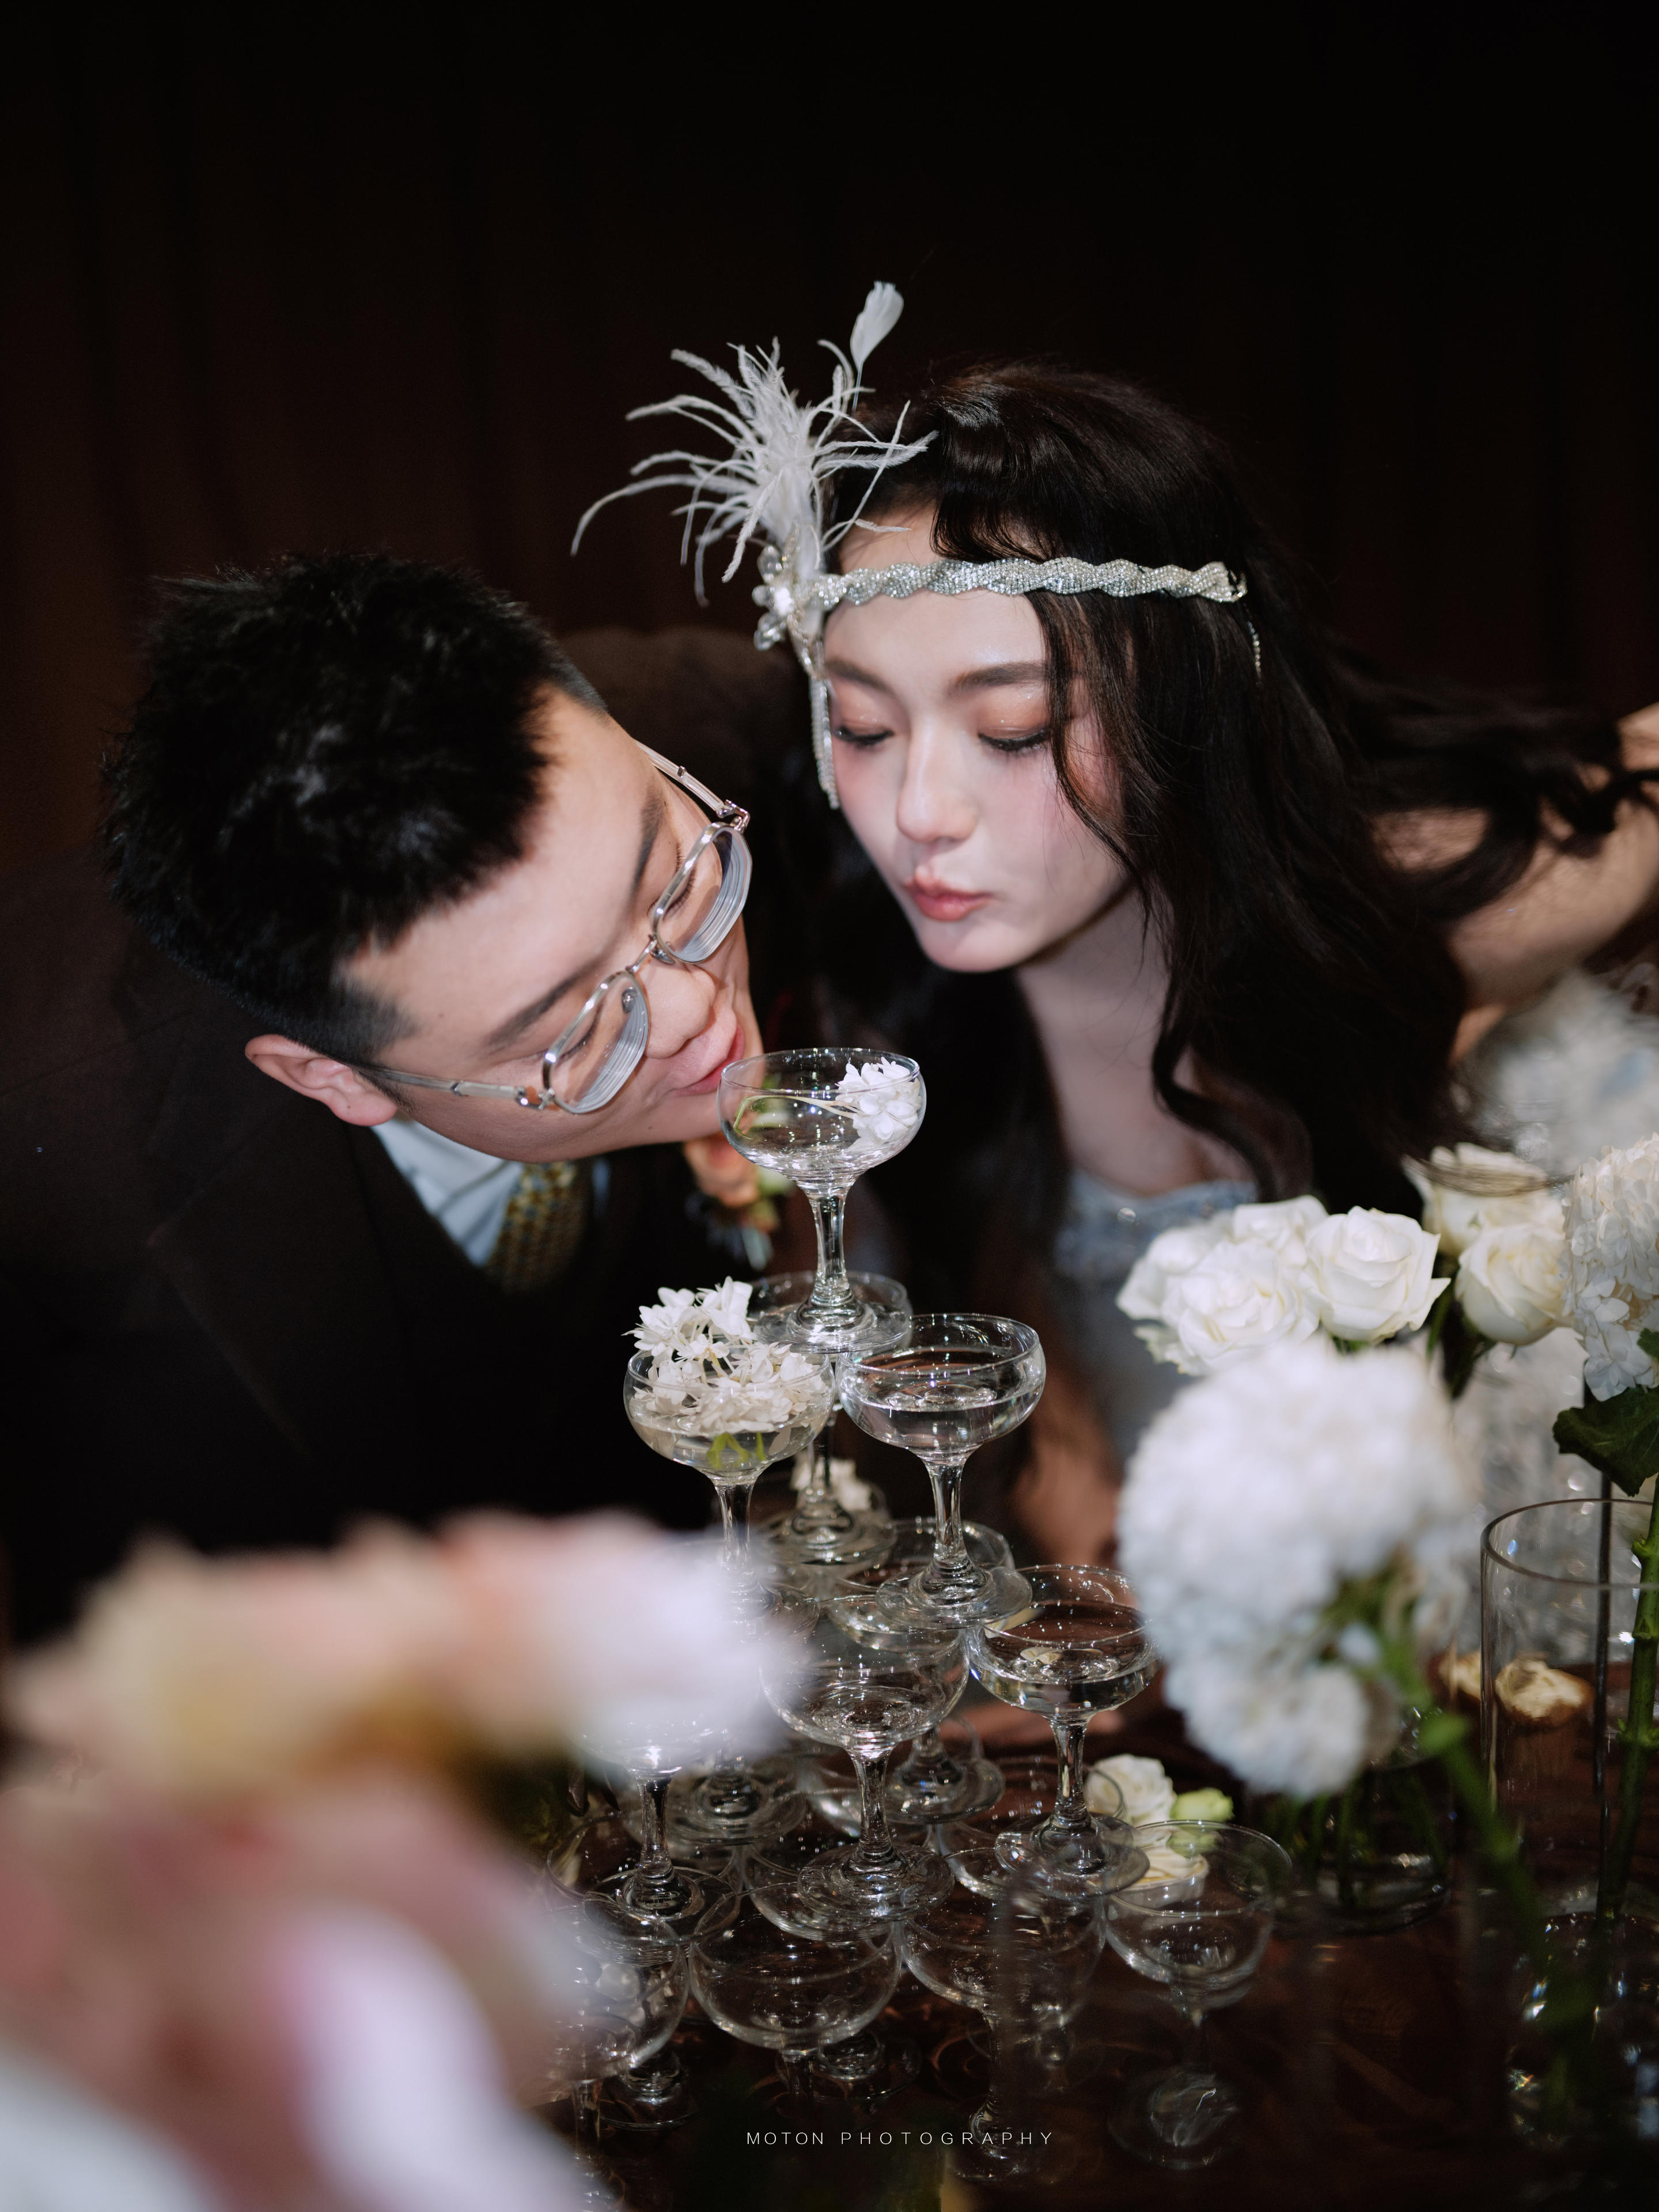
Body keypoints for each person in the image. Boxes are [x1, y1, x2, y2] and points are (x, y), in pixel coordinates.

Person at [583, 287, 1659, 1560]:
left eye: (1014, 730)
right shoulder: (891, 1047)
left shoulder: (1395, 896)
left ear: (1186, 701)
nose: (919, 812)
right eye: (863, 726)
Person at [0, 552, 804, 1644]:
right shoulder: (42, 1122)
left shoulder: (682, 734)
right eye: (568, 1029)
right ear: (330, 1076)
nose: (694, 1008)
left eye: (672, 884)